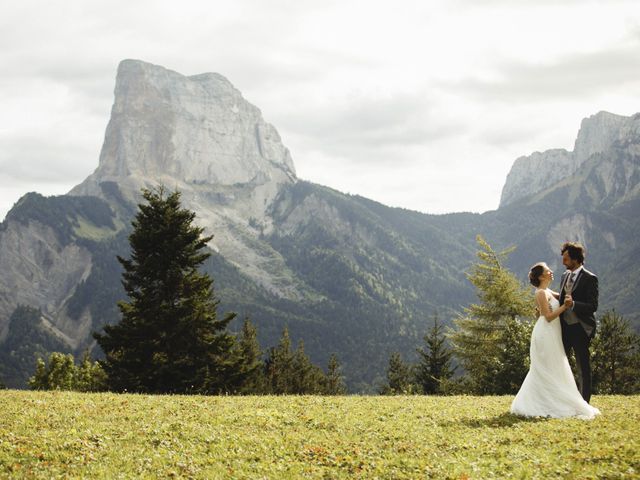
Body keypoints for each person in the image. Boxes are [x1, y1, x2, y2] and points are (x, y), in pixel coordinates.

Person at [510, 262, 600, 419]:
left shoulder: (546, 291)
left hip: (551, 333)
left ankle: (554, 398)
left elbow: (563, 296)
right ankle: (542, 401)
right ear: (541, 276)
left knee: (553, 366)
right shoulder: (540, 293)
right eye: (547, 271)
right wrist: (565, 307)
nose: (551, 272)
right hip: (546, 333)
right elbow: (549, 316)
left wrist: (573, 298)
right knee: (545, 367)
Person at [559, 242, 598, 403]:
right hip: (564, 327)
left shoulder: (590, 278)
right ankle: (567, 399)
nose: (563, 262)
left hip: (581, 328)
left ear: (576, 259)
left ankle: (584, 402)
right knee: (562, 365)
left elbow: (592, 306)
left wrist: (574, 304)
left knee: (583, 366)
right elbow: (562, 299)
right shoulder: (564, 276)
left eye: (566, 259)